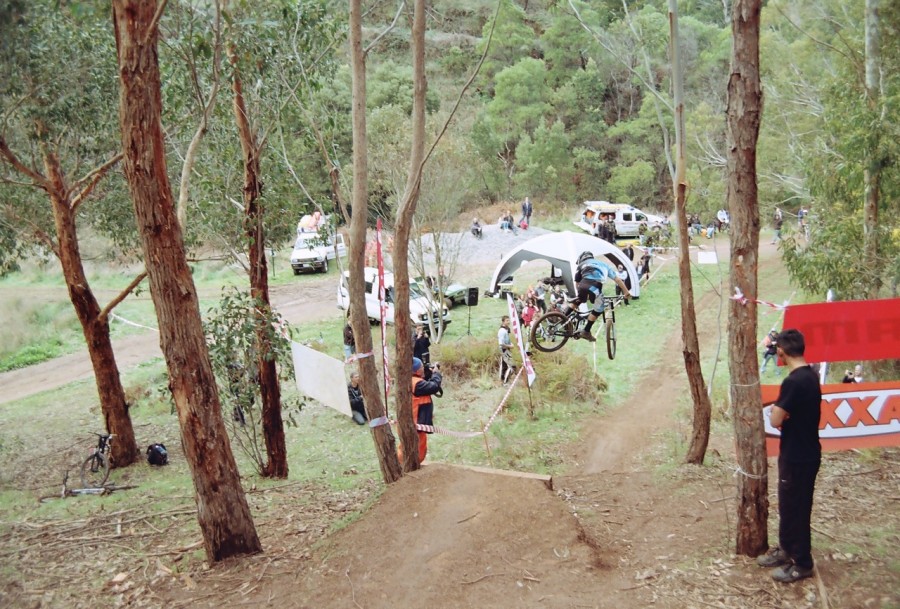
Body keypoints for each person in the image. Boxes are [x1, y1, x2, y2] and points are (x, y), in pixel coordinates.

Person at [757, 329, 821, 584]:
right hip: (802, 452)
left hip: (798, 455)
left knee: (796, 508)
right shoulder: (811, 375)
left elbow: (775, 418)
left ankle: (802, 562)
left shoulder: (794, 382)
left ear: (781, 351)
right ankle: (786, 549)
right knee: (788, 504)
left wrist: (778, 411)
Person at [566, 251, 632, 342]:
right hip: (595, 287)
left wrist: (582, 295)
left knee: (578, 300)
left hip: (582, 286)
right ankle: (586, 331)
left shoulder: (581, 265)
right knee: (599, 308)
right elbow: (618, 279)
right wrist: (626, 292)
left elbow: (577, 283)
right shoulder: (603, 265)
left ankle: (562, 317)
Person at [410, 357, 442, 462]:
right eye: (422, 367)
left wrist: (429, 373)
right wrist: (436, 374)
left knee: (414, 446)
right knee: (418, 448)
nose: (424, 369)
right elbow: (433, 387)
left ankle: (411, 464)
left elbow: (425, 383)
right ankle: (411, 466)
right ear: (417, 370)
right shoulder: (417, 384)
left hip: (416, 420)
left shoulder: (413, 380)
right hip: (417, 420)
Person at [498, 315, 514, 384]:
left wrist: (510, 344)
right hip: (505, 350)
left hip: (506, 350)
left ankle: (501, 379)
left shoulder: (506, 330)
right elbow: (501, 343)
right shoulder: (502, 331)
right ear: (503, 322)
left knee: (504, 365)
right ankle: (505, 382)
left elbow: (506, 340)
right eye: (507, 320)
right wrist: (510, 346)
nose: (509, 322)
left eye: (509, 320)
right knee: (511, 367)